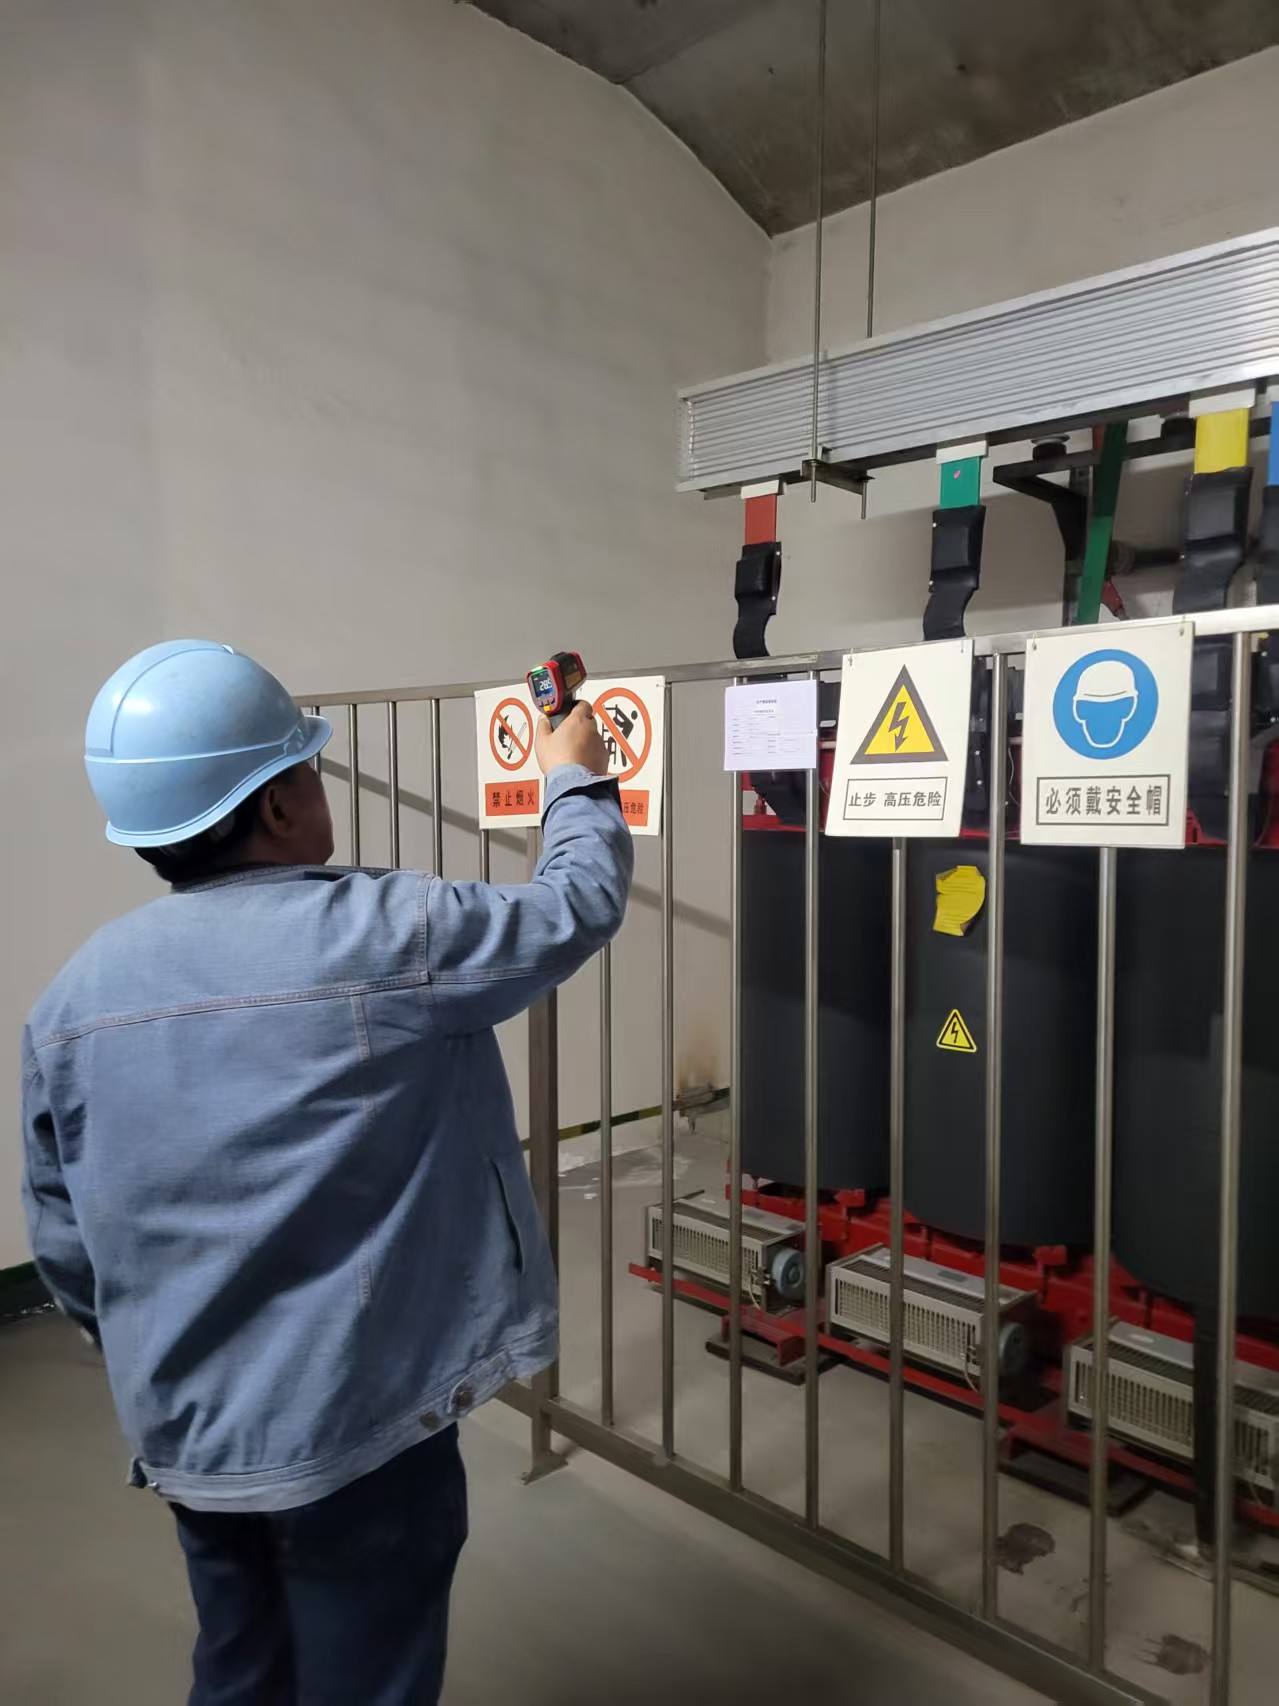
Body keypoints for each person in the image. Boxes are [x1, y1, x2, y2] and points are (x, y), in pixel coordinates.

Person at [21, 639, 633, 1705]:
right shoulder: (384, 933)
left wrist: (162, 1353)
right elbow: (574, 903)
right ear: (276, 805)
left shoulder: (70, 1000)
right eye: (308, 766)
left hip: (194, 1436)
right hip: (358, 1429)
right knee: (368, 1673)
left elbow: (65, 1242)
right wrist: (573, 775)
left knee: (240, 1658)